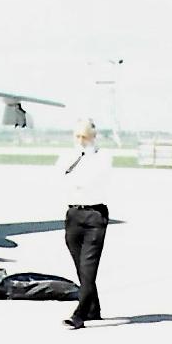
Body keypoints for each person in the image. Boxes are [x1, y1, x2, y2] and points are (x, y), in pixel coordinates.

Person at [56, 118, 113, 329]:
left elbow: (88, 181)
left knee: (89, 268)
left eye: (85, 137)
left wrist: (74, 178)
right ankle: (93, 308)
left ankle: (79, 314)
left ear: (93, 137)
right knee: (81, 268)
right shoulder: (69, 155)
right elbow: (58, 176)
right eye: (78, 136)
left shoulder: (102, 157)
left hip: (94, 216)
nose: (81, 140)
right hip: (74, 215)